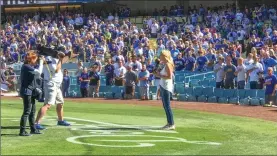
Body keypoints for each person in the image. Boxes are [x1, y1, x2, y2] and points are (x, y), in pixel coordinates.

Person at [35, 52, 71, 130]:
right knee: (48, 104)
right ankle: (36, 123)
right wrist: (61, 59)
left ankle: (60, 120)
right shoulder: (50, 59)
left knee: (60, 102)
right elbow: (56, 70)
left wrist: (67, 56)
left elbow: (63, 60)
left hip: (56, 85)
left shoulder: (51, 59)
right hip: (51, 84)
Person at [19, 51, 44, 136]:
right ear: (31, 59)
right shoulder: (26, 66)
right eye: (35, 59)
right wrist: (41, 62)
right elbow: (39, 72)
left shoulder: (28, 66)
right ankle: (22, 131)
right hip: (27, 91)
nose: (36, 61)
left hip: (31, 91)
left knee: (32, 111)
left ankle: (33, 129)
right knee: (27, 111)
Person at [155, 50, 175, 130]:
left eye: (161, 55)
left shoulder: (168, 64)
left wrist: (159, 75)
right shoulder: (165, 64)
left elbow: (169, 76)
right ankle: (169, 122)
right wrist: (159, 74)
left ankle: (171, 123)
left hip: (166, 86)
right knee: (165, 105)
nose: (160, 57)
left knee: (167, 105)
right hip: (163, 85)